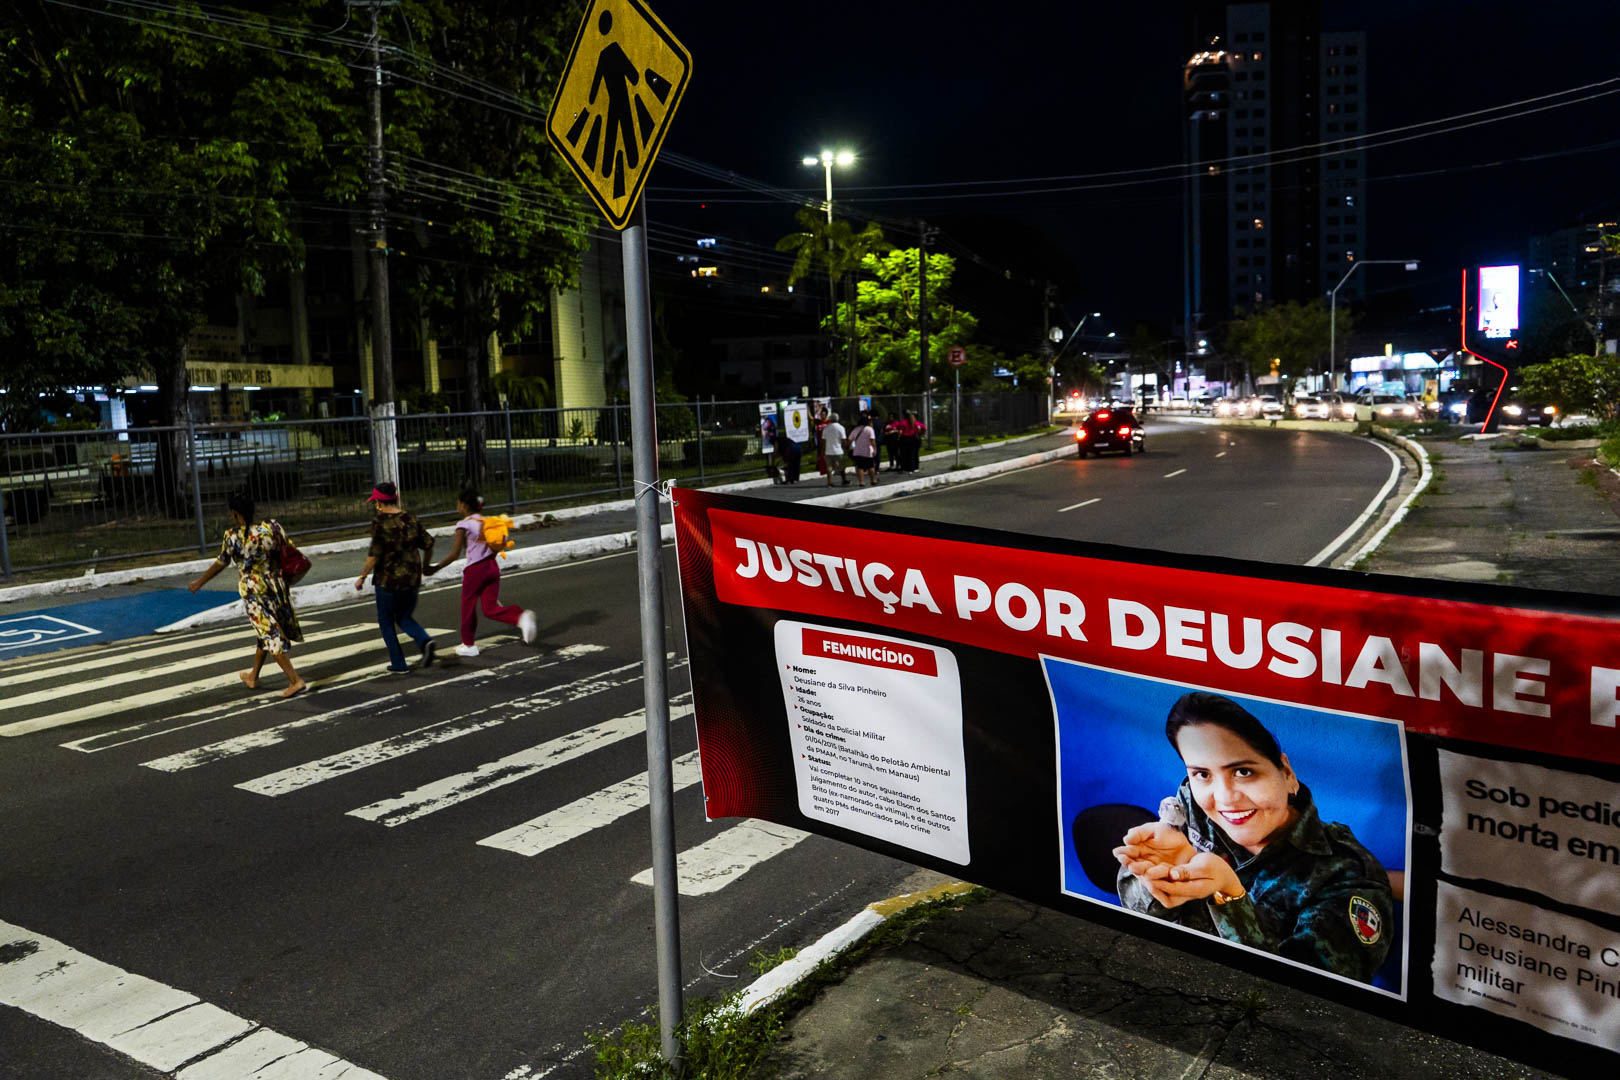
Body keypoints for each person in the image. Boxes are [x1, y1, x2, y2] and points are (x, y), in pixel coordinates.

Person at [1113, 692, 1393, 983]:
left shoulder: (1347, 875)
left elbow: (1302, 997)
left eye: (1243, 771)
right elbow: (1136, 912)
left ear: (1287, 773)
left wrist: (1229, 897)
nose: (1225, 799)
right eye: (1202, 774)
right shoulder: (1190, 806)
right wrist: (1158, 880)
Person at [187, 490, 305, 698]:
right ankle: (253, 676)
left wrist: (199, 582)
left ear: (235, 513)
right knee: (265, 631)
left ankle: (295, 680)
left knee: (270, 633)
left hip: (253, 591)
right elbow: (289, 549)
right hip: (277, 585)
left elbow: (221, 562)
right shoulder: (272, 528)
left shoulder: (233, 537)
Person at [427, 488, 537, 657]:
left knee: (468, 607)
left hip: (475, 570)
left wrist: (436, 567)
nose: (457, 506)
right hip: (492, 567)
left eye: (459, 503)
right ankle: (520, 617)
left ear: (464, 506)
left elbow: (455, 554)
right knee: (490, 608)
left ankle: (469, 645)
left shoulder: (463, 525)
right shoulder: (487, 521)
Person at [353, 481, 437, 673]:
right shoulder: (410, 518)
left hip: (388, 580)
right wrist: (425, 566)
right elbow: (428, 544)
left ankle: (399, 664)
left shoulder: (379, 522)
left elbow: (374, 555)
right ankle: (425, 641)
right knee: (404, 616)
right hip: (412, 578)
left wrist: (362, 576)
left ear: (379, 503)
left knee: (386, 622)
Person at [849, 412, 879, 487]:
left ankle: (861, 482)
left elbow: (850, 439)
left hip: (857, 451)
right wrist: (875, 449)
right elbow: (872, 440)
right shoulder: (869, 429)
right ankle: (873, 480)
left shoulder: (856, 429)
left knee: (860, 467)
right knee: (870, 467)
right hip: (867, 451)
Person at [821, 409, 849, 487]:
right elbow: (843, 440)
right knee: (841, 466)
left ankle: (829, 482)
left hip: (828, 451)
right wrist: (846, 447)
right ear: (837, 419)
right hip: (838, 451)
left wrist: (823, 450)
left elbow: (823, 441)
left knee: (829, 467)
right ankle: (844, 479)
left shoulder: (826, 428)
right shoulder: (841, 428)